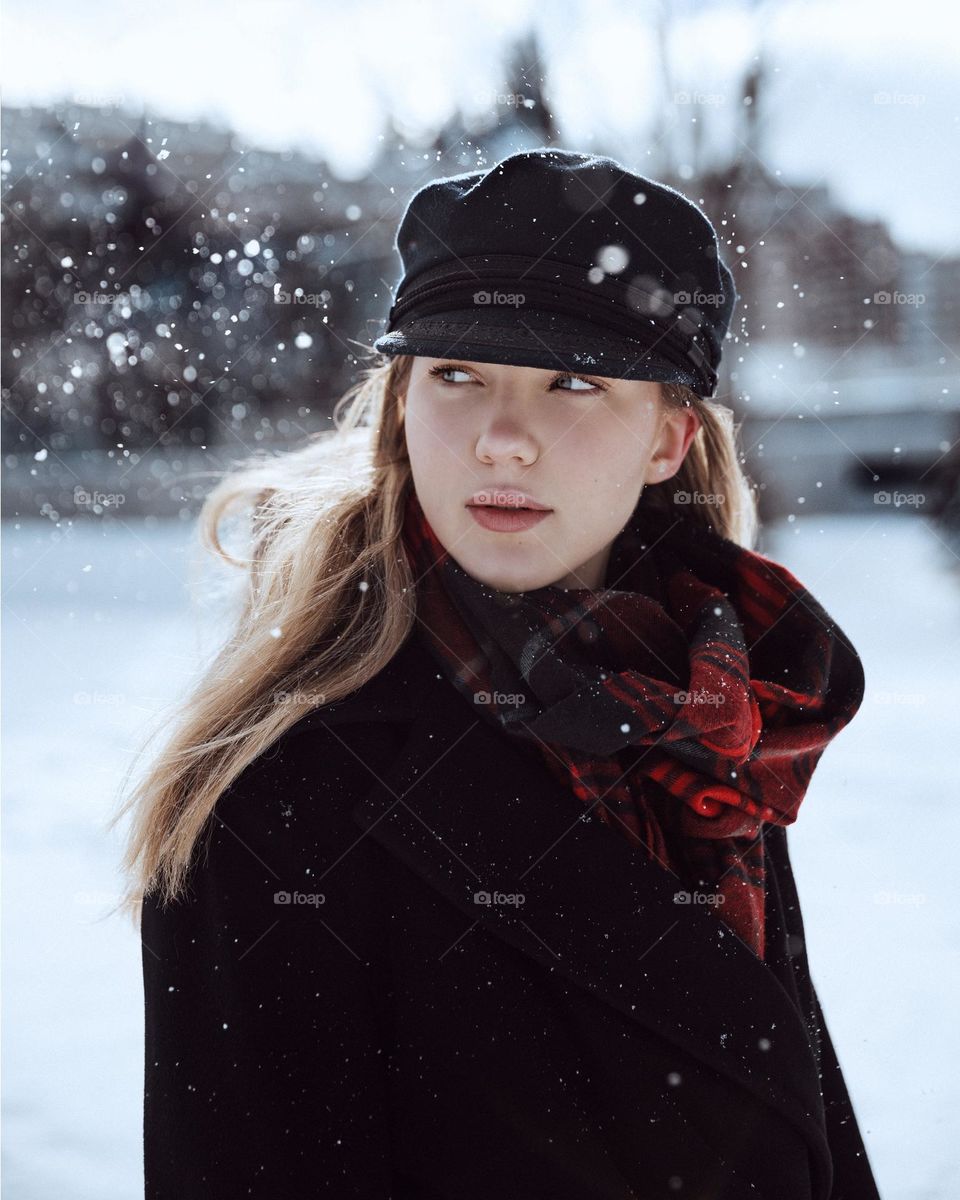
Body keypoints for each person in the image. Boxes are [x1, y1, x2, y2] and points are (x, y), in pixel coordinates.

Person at [117, 148, 883, 1198]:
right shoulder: (281, 800)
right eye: (458, 374)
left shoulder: (715, 715)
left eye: (573, 381)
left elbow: (793, 1106)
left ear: (669, 439)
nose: (504, 440)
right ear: (401, 407)